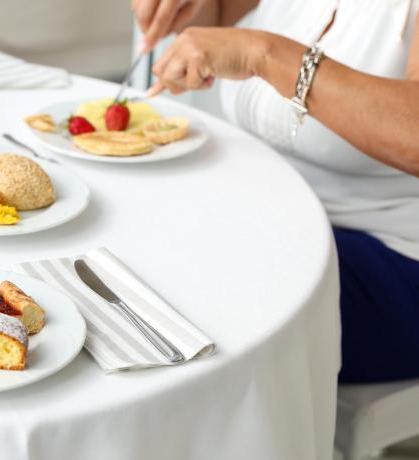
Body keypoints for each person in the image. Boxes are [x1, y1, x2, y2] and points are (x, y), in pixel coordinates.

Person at [132, 0, 419, 383]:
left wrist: (263, 54)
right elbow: (215, 13)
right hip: (275, 216)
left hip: (395, 256)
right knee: (126, 235)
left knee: (184, 298)